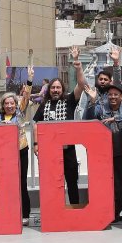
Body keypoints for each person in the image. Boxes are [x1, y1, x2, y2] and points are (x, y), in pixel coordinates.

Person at [33, 46, 87, 205]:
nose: (55, 90)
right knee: (53, 182)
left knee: (71, 182)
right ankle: (55, 211)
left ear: (62, 89)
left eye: (58, 87)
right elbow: (36, 124)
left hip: (68, 150)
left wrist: (77, 64)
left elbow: (81, 85)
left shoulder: (69, 101)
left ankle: (75, 209)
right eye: (53, 88)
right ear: (49, 90)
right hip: (50, 150)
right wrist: (36, 144)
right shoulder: (44, 105)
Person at [89, 81, 122, 222]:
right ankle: (114, 212)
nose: (112, 97)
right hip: (106, 154)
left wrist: (115, 118)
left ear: (121, 97)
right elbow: (89, 116)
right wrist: (93, 101)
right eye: (110, 95)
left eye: (115, 95)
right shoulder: (102, 107)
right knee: (113, 185)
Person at [0, 67, 34, 225]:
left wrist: (30, 79)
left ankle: (25, 214)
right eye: (7, 103)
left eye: (12, 103)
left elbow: (26, 96)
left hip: (21, 151)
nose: (9, 105)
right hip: (5, 155)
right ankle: (8, 211)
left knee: (22, 183)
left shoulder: (19, 113)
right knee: (7, 184)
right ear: (3, 105)